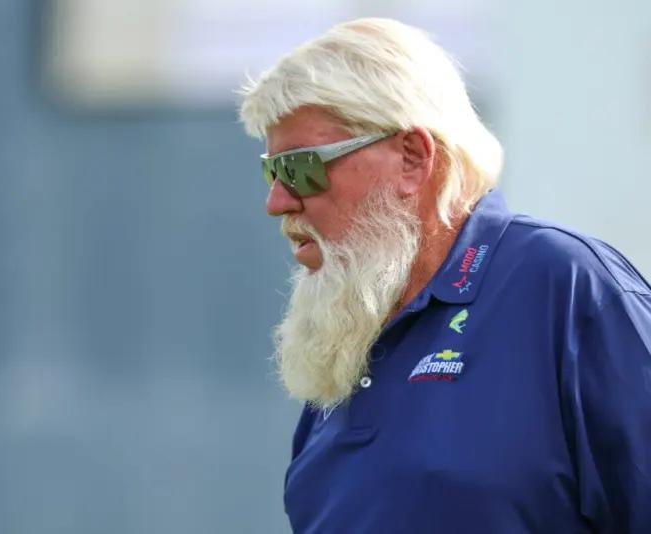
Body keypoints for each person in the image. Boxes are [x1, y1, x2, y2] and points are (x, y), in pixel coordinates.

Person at [238, 18, 651, 534]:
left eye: (300, 168)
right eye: (271, 171)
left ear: (412, 158)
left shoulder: (566, 288)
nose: (277, 201)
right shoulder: (347, 334)